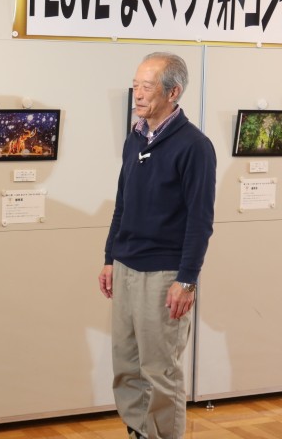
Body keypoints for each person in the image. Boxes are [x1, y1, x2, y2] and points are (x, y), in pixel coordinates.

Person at [98, 52, 216, 439]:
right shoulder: (135, 138)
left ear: (173, 92)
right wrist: (110, 257)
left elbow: (200, 220)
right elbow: (123, 203)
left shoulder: (195, 146)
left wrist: (187, 279)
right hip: (126, 266)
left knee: (160, 371)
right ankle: (139, 432)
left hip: (165, 274)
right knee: (126, 367)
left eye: (147, 87)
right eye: (135, 86)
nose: (138, 94)